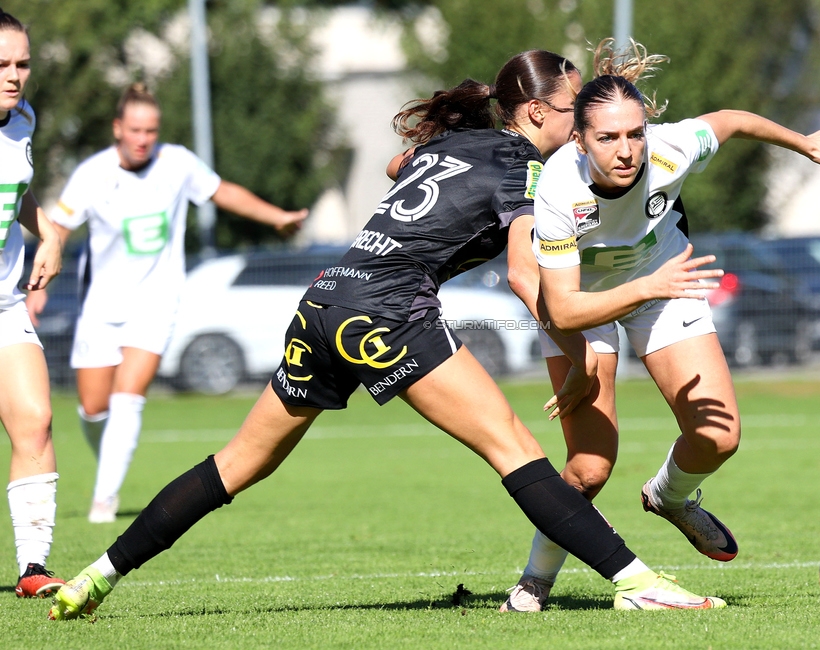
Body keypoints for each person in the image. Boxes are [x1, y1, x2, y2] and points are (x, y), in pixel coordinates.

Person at [50, 49, 728, 621]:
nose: (584, 119)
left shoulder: (460, 144)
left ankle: (97, 575)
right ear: (541, 114)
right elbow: (529, 280)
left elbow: (398, 169)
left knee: (236, 464)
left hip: (326, 297)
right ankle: (638, 583)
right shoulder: (524, 171)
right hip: (386, 311)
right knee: (514, 447)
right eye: (575, 105)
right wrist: (581, 357)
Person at [500, 39, 820, 611]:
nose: (627, 150)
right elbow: (564, 308)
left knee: (719, 437)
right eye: (608, 137)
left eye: (634, 133)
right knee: (590, 468)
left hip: (660, 284)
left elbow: (733, 121)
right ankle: (535, 580)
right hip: (587, 305)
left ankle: (669, 496)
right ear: (578, 139)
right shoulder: (556, 188)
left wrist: (804, 143)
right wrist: (639, 295)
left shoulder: (671, 148)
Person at [29, 83, 308, 524]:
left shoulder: (176, 163)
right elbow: (57, 227)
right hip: (101, 308)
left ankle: (105, 501)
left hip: (156, 304)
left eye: (151, 130)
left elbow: (224, 192)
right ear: (118, 128)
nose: (144, 138)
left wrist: (278, 217)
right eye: (136, 129)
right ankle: (109, 467)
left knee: (128, 399)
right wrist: (40, 284)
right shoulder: (92, 173)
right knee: (94, 408)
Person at [0, 8, 66, 598]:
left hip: (3, 306)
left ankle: (33, 568)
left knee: (35, 420)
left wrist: (46, 232)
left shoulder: (22, 120)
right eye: (0, 64)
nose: (14, 75)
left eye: (22, 63)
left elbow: (18, 191)